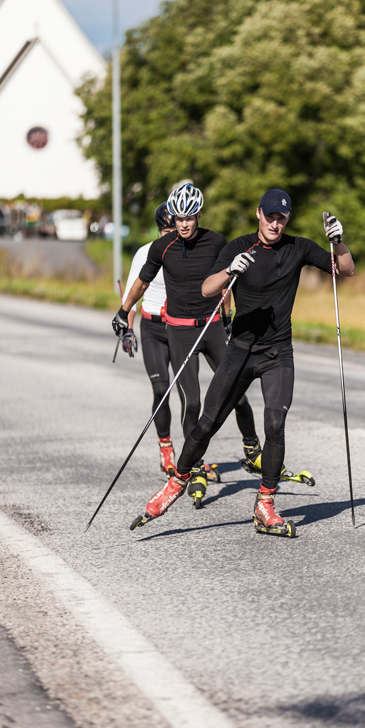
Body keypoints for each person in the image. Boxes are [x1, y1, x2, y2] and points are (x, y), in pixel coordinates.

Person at [130, 188, 355, 537]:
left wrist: (338, 242)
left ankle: (265, 505)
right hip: (240, 350)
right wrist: (229, 272)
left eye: (281, 217)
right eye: (269, 216)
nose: (275, 224)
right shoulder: (237, 247)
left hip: (278, 352)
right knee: (207, 422)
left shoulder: (299, 247)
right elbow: (207, 289)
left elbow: (345, 270)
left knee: (276, 422)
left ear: (287, 219)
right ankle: (177, 483)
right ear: (258, 214)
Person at [112, 183, 260, 506]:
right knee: (192, 402)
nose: (183, 224)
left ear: (198, 215)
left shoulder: (217, 242)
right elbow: (141, 283)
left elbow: (228, 279)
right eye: (178, 218)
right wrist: (124, 313)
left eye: (189, 218)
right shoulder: (161, 248)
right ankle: (192, 467)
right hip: (178, 331)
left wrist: (230, 314)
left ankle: (252, 448)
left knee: (236, 391)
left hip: (211, 328)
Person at [120, 202, 178, 476]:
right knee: (161, 389)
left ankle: (193, 457)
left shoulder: (187, 251)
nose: (169, 235)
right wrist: (128, 331)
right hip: (153, 328)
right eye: (165, 230)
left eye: (174, 229)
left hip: (181, 329)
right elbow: (130, 298)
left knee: (192, 396)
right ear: (158, 230)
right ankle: (165, 448)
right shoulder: (146, 253)